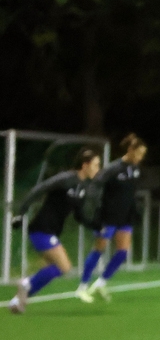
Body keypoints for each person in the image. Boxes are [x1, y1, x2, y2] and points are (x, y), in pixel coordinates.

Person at [8, 148, 101, 313]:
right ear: (85, 165)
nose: (98, 169)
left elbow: (79, 216)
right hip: (41, 228)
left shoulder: (83, 187)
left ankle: (17, 301)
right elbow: (39, 190)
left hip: (52, 231)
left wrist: (97, 226)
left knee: (53, 269)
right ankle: (26, 284)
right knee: (64, 267)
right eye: (95, 165)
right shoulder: (66, 179)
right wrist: (21, 214)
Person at [77, 133, 147, 301]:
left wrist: (134, 209)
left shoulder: (136, 169)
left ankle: (101, 283)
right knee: (99, 249)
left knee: (122, 252)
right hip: (108, 216)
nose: (140, 157)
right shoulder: (113, 168)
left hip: (125, 217)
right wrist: (92, 208)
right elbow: (95, 186)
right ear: (130, 150)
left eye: (143, 155)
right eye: (139, 154)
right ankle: (83, 286)